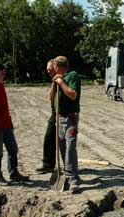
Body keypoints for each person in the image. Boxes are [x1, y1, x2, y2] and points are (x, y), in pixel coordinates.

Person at [51, 56, 81, 193]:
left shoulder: (72, 76)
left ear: (58, 67)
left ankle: (73, 178)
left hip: (71, 118)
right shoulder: (57, 79)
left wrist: (61, 82)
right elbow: (50, 97)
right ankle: (67, 174)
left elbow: (73, 94)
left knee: (70, 147)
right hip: (60, 117)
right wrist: (54, 83)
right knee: (62, 146)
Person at [36, 60, 56, 174]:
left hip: (61, 114)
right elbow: (50, 97)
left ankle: (50, 164)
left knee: (58, 142)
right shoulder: (54, 80)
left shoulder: (62, 79)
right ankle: (48, 164)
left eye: (50, 69)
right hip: (54, 114)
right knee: (49, 139)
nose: (48, 71)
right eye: (47, 69)